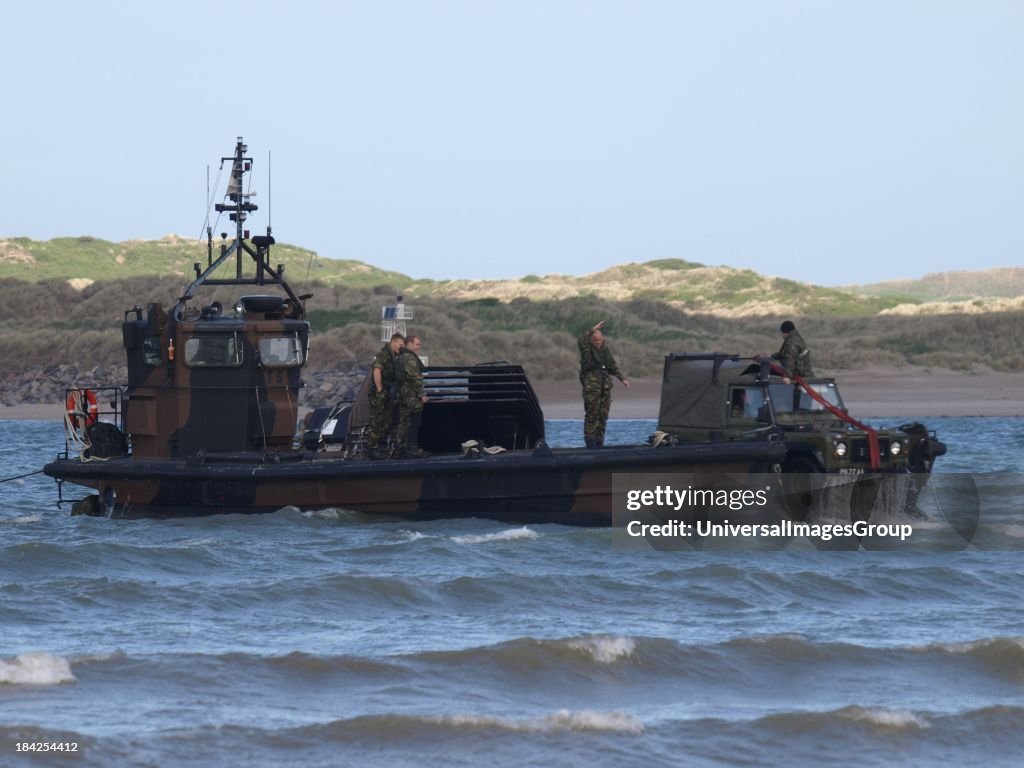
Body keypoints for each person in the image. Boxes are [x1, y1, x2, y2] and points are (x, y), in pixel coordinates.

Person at [578, 320, 629, 448]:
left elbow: (613, 366)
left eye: (600, 339)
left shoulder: (605, 350)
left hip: (605, 385)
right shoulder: (587, 349)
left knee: (603, 414)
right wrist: (593, 329)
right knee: (592, 413)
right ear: (591, 340)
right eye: (595, 340)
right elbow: (581, 340)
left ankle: (599, 442)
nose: (598, 342)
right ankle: (590, 442)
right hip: (592, 385)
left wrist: (622, 379)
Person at [366, 333, 405, 458]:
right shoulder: (384, 355)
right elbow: (377, 371)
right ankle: (371, 447)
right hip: (380, 393)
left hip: (388, 392)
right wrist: (379, 390)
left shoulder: (394, 356)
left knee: (387, 420)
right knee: (377, 419)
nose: (401, 347)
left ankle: (381, 446)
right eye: (400, 344)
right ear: (393, 342)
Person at [394, 334, 429, 458]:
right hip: (411, 397)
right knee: (414, 422)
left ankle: (400, 450)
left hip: (403, 395)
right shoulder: (409, 359)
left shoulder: (400, 357)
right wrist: (422, 394)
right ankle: (412, 449)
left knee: (403, 423)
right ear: (409, 344)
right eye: (417, 344)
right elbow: (415, 378)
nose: (419, 347)